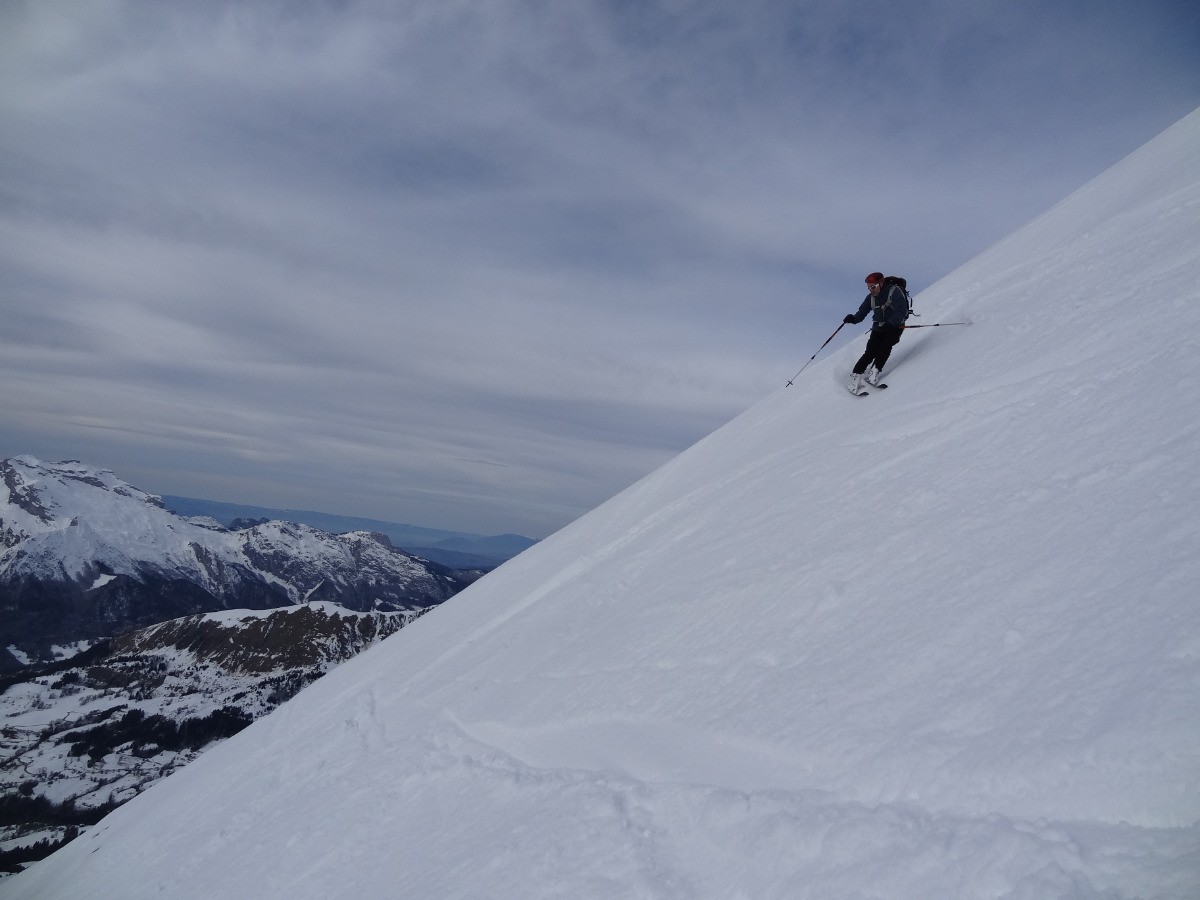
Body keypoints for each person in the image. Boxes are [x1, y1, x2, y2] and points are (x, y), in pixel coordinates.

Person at [842, 272, 910, 393]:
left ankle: (874, 371)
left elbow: (902, 310)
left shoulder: (894, 292)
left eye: (873, 287)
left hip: (895, 326)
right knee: (870, 351)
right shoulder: (870, 298)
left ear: (881, 283)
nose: (871, 290)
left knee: (886, 346)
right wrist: (853, 319)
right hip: (878, 327)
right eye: (869, 287)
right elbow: (861, 313)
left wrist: (891, 323)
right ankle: (856, 375)